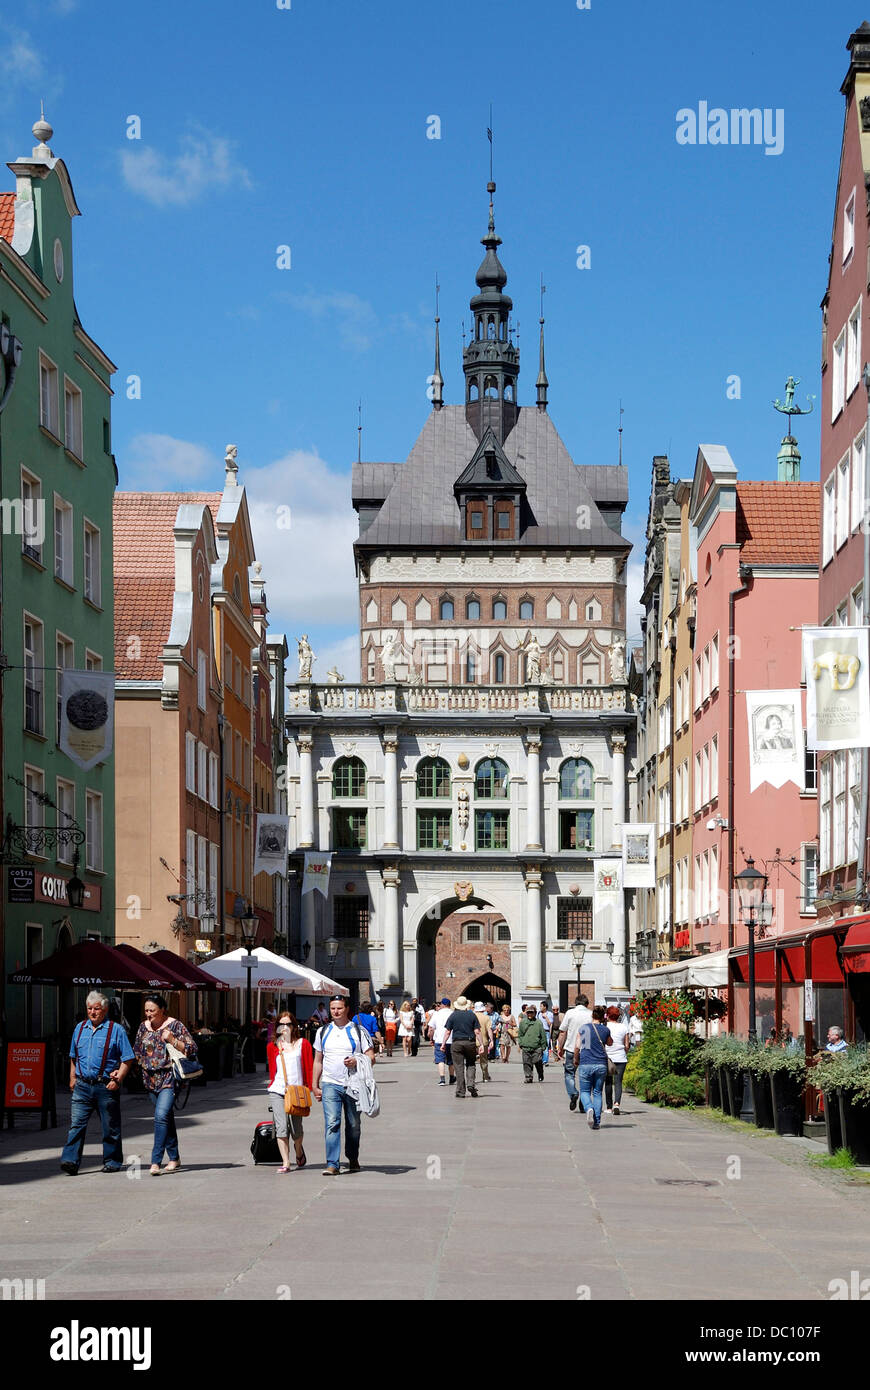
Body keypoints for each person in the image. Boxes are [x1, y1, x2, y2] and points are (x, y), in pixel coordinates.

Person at [60, 991, 135, 1175]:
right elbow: (73, 1057)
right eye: (89, 1009)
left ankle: (112, 1161)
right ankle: (70, 1161)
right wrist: (72, 1078)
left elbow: (128, 1058)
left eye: (97, 1009)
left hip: (105, 1086)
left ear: (105, 1010)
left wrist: (119, 1079)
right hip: (82, 1086)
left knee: (110, 1126)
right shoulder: (79, 1028)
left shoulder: (116, 1030)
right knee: (76, 1125)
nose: (93, 1012)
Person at [133, 994, 199, 1175]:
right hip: (150, 1080)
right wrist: (139, 1067)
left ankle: (155, 1161)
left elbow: (192, 1048)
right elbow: (137, 1049)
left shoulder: (175, 1025)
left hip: (169, 1078)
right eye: (146, 1010)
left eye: (152, 1010)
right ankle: (174, 1157)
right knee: (166, 1118)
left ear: (162, 1009)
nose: (148, 1014)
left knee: (160, 1116)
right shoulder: (142, 1027)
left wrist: (172, 1040)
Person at [312, 996, 375, 1175]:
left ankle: (352, 1156)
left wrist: (357, 1060)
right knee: (332, 1123)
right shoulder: (323, 1031)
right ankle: (332, 1163)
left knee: (354, 1124)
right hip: (330, 1083)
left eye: (339, 1008)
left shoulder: (358, 1031)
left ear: (347, 1009)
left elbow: (371, 1057)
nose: (335, 1012)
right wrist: (314, 1084)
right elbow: (318, 1060)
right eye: (332, 1008)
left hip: (354, 1084)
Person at [267, 1018, 313, 1171]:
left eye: (288, 1024)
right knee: (281, 1127)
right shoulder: (273, 1046)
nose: (285, 1027)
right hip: (277, 1090)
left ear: (294, 1026)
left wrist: (312, 1088)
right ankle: (286, 1162)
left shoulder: (302, 1044)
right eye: (282, 1024)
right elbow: (273, 1070)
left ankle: (298, 1150)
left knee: (296, 1129)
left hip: (297, 1091)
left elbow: (309, 1067)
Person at [574, 1006, 613, 1129]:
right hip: (601, 1064)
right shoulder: (605, 1030)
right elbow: (610, 1043)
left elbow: (577, 1046)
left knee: (585, 1091)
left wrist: (576, 1059)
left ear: (592, 1016)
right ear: (603, 1017)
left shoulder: (584, 1028)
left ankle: (589, 1108)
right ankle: (596, 1122)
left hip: (586, 1063)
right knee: (597, 1092)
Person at [556, 993, 593, 1111]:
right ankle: (584, 1099)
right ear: (587, 1003)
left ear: (576, 1003)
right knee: (586, 1076)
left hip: (571, 1048)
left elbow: (563, 1032)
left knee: (569, 1074)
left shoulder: (570, 1013)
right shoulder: (591, 1014)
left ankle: (573, 1093)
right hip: (587, 1050)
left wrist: (560, 1048)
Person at [445, 997, 483, 1097]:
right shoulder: (472, 1015)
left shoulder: (453, 1015)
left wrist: (443, 1044)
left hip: (457, 1043)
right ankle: (470, 1084)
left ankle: (461, 1091)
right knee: (471, 1064)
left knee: (458, 1066)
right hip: (470, 1042)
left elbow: (448, 1032)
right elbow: (477, 1031)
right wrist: (481, 1044)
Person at [603, 1005, 631, 1116]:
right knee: (618, 1082)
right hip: (621, 1057)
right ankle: (617, 1104)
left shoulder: (605, 1026)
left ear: (608, 1015)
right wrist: (624, 1053)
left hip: (608, 1057)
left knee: (608, 1082)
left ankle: (609, 1107)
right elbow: (627, 1044)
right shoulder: (624, 1027)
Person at [428, 996, 456, 1086]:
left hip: (439, 1040)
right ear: (449, 1005)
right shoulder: (453, 1013)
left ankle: (442, 1079)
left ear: (442, 1005)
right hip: (451, 1040)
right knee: (451, 1060)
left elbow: (431, 1028)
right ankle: (452, 1077)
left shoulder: (436, 1014)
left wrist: (431, 1039)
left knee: (440, 1060)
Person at [518, 1005, 547, 1083]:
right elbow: (520, 1034)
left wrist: (543, 1046)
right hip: (526, 1046)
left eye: (531, 1012)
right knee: (526, 1063)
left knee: (537, 1061)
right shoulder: (523, 1022)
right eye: (528, 1013)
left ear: (535, 1013)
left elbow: (543, 1035)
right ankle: (528, 1077)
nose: (530, 1014)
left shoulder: (538, 1023)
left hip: (536, 1047)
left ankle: (540, 1073)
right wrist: (520, 1043)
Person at [473, 1002, 492, 1082]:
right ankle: (485, 1076)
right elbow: (489, 1029)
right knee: (484, 1060)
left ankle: (472, 1078)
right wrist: (492, 1040)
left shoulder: (472, 1016)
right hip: (483, 1041)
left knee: (471, 1060)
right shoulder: (486, 1017)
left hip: (472, 1041)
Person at [538, 1000, 554, 1064]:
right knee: (539, 1046)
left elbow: (550, 1024)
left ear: (545, 1007)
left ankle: (545, 1060)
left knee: (546, 1047)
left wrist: (546, 1017)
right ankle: (540, 1059)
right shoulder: (538, 1013)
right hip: (539, 1031)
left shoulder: (549, 1014)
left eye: (541, 1006)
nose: (540, 1007)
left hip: (546, 1032)